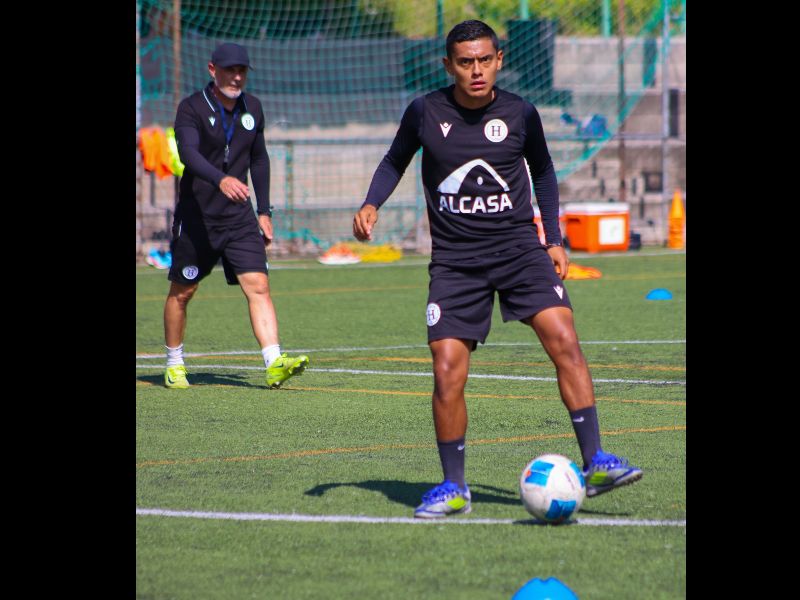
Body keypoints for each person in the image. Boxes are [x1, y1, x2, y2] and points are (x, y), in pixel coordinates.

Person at [352, 21, 642, 518]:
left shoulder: (520, 113)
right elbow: (394, 160)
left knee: (564, 337)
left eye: (485, 60)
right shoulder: (425, 111)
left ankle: (595, 461)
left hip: (518, 251)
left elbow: (545, 172)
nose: (476, 70)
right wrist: (371, 203)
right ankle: (453, 487)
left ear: (500, 60)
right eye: (465, 62)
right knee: (447, 371)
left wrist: (553, 239)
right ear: (449, 66)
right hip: (455, 262)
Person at [163, 42, 309, 389]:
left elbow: (259, 160)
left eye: (242, 70)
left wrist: (264, 211)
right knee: (183, 292)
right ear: (213, 70)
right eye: (230, 70)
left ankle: (274, 362)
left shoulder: (252, 108)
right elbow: (188, 154)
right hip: (198, 218)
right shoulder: (191, 108)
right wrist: (221, 179)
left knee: (258, 285)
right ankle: (173, 362)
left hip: (239, 218)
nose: (237, 76)